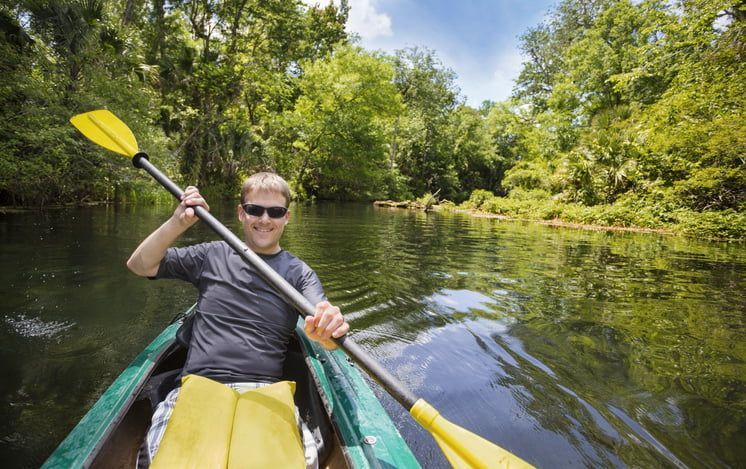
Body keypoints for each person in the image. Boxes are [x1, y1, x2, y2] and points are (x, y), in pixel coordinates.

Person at [126, 172, 349, 468]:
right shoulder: (211, 254)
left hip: (265, 390)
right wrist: (178, 222)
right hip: (199, 384)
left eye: (275, 212)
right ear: (241, 213)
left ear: (287, 217)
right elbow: (140, 265)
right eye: (255, 209)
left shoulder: (299, 273)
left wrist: (327, 327)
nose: (264, 219)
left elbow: (323, 323)